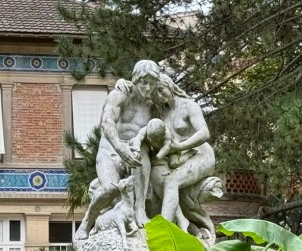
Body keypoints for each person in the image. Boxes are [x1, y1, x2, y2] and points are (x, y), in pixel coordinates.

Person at [76, 60, 161, 239]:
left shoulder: (152, 104)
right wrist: (120, 148)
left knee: (142, 156)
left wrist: (137, 143)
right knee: (110, 189)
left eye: (152, 83)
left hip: (134, 150)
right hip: (111, 149)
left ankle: (140, 210)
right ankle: (87, 222)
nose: (147, 87)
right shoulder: (120, 94)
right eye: (144, 82)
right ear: (136, 79)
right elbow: (107, 122)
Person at [147, 73, 216, 232]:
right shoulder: (163, 113)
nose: (159, 95)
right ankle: (184, 223)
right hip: (180, 159)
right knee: (155, 176)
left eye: (161, 89)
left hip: (200, 154)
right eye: (155, 93)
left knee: (171, 181)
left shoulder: (188, 106)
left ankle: (164, 229)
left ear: (169, 85)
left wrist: (179, 147)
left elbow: (204, 133)